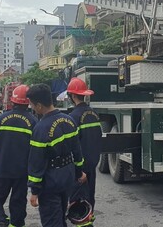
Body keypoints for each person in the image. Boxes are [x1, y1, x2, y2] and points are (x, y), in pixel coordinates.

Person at [27, 84, 86, 227]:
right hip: (67, 176)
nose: (32, 108)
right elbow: (77, 151)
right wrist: (79, 172)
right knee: (60, 215)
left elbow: (37, 162)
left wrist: (34, 191)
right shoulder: (69, 120)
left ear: (39, 105)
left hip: (50, 181)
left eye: (32, 105)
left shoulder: (41, 129)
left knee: (51, 221)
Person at [0, 85, 37, 227]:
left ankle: (0, 221)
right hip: (22, 171)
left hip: (1, 168)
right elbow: (35, 149)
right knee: (18, 201)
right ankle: (16, 224)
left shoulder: (2, 118)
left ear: (12, 101)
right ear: (28, 102)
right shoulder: (33, 122)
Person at [66, 78, 102, 226]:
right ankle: (89, 219)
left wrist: (77, 169)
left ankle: (85, 223)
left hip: (80, 167)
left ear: (73, 96)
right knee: (89, 197)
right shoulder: (94, 114)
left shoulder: (73, 117)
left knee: (78, 202)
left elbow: (73, 146)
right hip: (92, 163)